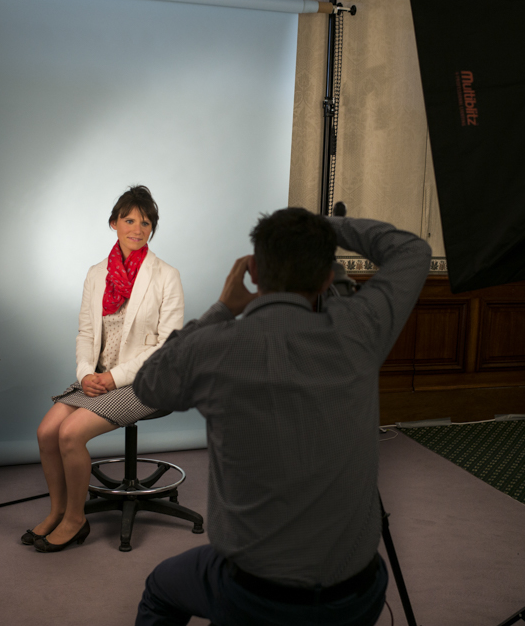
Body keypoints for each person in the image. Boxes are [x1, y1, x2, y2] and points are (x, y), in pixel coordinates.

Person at [131, 207, 432, 625]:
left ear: (252, 271)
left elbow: (148, 384)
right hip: (356, 594)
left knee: (161, 589)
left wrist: (222, 307)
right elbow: (412, 250)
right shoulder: (360, 329)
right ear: (328, 278)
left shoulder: (213, 348)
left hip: (253, 596)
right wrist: (328, 226)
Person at [24, 185, 184, 553]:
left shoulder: (166, 275)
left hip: (146, 381)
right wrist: (85, 375)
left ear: (151, 230)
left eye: (145, 222)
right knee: (47, 431)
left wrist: (114, 377)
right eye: (129, 219)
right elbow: (84, 332)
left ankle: (76, 521)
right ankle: (58, 511)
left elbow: (168, 346)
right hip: (97, 378)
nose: (137, 228)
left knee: (69, 434)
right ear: (113, 223)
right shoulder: (97, 274)